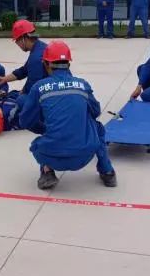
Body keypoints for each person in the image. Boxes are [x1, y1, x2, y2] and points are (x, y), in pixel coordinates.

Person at [19, 40, 117, 190]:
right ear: (69, 64)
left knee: (36, 144)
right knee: (97, 127)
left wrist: (45, 129)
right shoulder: (82, 85)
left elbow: (25, 121)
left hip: (52, 156)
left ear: (46, 63)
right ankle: (107, 172)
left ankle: (47, 172)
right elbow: (96, 111)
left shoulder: (39, 88)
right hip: (84, 156)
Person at [0, 19, 48, 95]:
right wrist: (4, 79)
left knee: (14, 97)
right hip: (48, 90)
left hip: (44, 94)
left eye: (17, 41)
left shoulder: (36, 57)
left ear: (23, 38)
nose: (17, 44)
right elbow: (24, 71)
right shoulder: (40, 47)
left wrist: (21, 94)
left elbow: (32, 86)